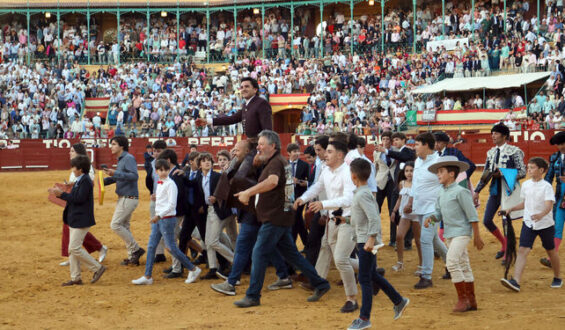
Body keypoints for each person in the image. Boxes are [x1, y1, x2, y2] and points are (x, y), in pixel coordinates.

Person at [232, 130, 330, 307]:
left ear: (273, 146)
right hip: (280, 216)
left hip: (275, 217)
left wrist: (248, 192)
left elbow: (272, 182)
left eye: (262, 144)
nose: (258, 147)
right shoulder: (275, 161)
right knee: (293, 256)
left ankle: (253, 295)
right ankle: (321, 283)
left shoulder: (276, 162)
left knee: (259, 253)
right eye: (258, 144)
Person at [210, 140, 291, 296]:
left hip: (253, 212)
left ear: (248, 152)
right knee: (271, 246)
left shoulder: (252, 164)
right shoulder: (246, 163)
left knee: (242, 247)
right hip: (257, 211)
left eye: (237, 150)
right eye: (233, 150)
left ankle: (231, 282)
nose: (234, 153)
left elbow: (241, 182)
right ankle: (284, 276)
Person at [295, 140, 360, 313]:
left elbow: (348, 199)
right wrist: (304, 198)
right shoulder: (325, 169)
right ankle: (369, 270)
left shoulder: (348, 172)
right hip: (333, 220)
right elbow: (318, 186)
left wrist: (323, 204)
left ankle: (351, 299)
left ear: (340, 155)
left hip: (348, 219)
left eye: (329, 152)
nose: (325, 154)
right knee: (329, 251)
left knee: (339, 259)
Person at [346, 158, 410, 330]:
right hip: (364, 238)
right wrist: (344, 219)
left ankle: (364, 317)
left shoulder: (362, 194)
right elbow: (363, 216)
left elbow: (373, 217)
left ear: (353, 176)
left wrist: (371, 238)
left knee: (364, 278)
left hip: (366, 241)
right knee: (372, 275)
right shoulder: (361, 192)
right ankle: (399, 300)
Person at [425, 155, 484, 312]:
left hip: (462, 232)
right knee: (463, 264)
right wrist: (431, 218)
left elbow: (472, 215)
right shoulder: (441, 192)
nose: (438, 175)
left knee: (451, 262)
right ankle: (471, 301)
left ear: (451, 174)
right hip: (451, 233)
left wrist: (477, 236)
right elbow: (438, 213)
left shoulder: (461, 191)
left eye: (441, 171)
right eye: (438, 172)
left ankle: (463, 300)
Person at [131, 159, 202, 285]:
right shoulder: (160, 183)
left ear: (169, 170)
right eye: (160, 170)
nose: (163, 172)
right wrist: (157, 199)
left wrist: (158, 216)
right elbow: (164, 201)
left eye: (166, 170)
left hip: (167, 219)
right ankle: (148, 276)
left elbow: (171, 205)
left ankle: (193, 269)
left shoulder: (171, 184)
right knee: (152, 246)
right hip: (160, 219)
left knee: (171, 247)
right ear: (157, 171)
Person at [501, 157, 563, 291]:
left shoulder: (546, 186)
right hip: (529, 223)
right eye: (528, 167)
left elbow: (549, 205)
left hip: (545, 225)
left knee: (551, 251)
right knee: (523, 250)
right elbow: (524, 203)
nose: (529, 170)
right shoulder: (526, 185)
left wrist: (541, 215)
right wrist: (511, 209)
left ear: (541, 170)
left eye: (532, 168)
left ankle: (557, 277)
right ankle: (516, 281)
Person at [49, 155, 106, 286]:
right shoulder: (81, 180)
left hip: (81, 219)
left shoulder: (85, 181)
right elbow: (74, 197)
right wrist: (60, 193)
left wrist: (61, 194)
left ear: (80, 169)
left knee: (74, 248)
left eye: (74, 167)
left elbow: (78, 199)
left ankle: (97, 268)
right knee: (72, 249)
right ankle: (76, 278)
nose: (72, 169)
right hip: (75, 218)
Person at [473, 124, 526, 261]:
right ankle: (504, 243)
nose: (493, 136)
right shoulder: (491, 152)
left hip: (509, 191)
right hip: (495, 190)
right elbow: (486, 174)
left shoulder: (515, 151)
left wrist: (502, 173)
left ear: (504, 136)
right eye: (492, 133)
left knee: (506, 221)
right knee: (487, 220)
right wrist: (477, 191)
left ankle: (508, 252)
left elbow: (522, 172)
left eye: (496, 133)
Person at [403, 133, 448, 289]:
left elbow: (447, 184)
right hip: (421, 207)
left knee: (425, 240)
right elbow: (415, 185)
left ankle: (427, 276)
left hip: (434, 208)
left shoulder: (438, 162)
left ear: (427, 145)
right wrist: (410, 201)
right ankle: (451, 264)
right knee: (434, 239)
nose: (414, 147)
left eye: (417, 144)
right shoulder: (417, 162)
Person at [60, 143, 107, 267]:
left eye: (72, 151)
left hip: (80, 204)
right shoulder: (76, 167)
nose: (69, 153)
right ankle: (74, 256)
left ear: (79, 153)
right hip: (73, 202)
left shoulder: (86, 169)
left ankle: (99, 248)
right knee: (72, 230)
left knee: (76, 231)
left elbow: (86, 187)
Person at [103, 136, 145, 266]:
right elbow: (119, 178)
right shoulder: (122, 160)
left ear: (122, 146)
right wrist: (102, 182)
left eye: (114, 144)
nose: (111, 146)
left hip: (128, 197)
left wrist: (115, 173)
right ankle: (133, 256)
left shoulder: (128, 158)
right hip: (125, 197)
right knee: (124, 226)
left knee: (115, 225)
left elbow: (134, 176)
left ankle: (136, 249)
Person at [199, 77, 272, 138]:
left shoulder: (262, 103)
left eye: (247, 86)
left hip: (259, 147)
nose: (243, 89)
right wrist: (207, 121)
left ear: (255, 90)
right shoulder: (246, 105)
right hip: (251, 145)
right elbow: (232, 119)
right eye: (242, 87)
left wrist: (262, 149)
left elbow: (267, 130)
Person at [390, 162, 422, 272]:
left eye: (411, 171)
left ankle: (422, 265)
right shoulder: (402, 183)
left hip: (417, 214)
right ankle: (400, 263)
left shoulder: (418, 183)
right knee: (399, 236)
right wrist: (394, 211)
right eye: (407, 171)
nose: (409, 173)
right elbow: (400, 198)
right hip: (405, 214)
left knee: (418, 240)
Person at [541, 131, 565, 267]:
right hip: (560, 198)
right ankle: (552, 259)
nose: (561, 147)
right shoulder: (555, 158)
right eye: (558, 144)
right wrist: (544, 190)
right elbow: (549, 177)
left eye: (562, 143)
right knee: (557, 227)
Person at [287, 143, 309, 249]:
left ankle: (292, 246)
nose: (297, 153)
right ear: (289, 153)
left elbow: (309, 181)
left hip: (300, 196)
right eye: (294, 151)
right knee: (298, 221)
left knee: (295, 219)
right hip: (287, 197)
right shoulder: (284, 164)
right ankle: (307, 243)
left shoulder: (304, 165)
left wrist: (298, 181)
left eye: (298, 151)